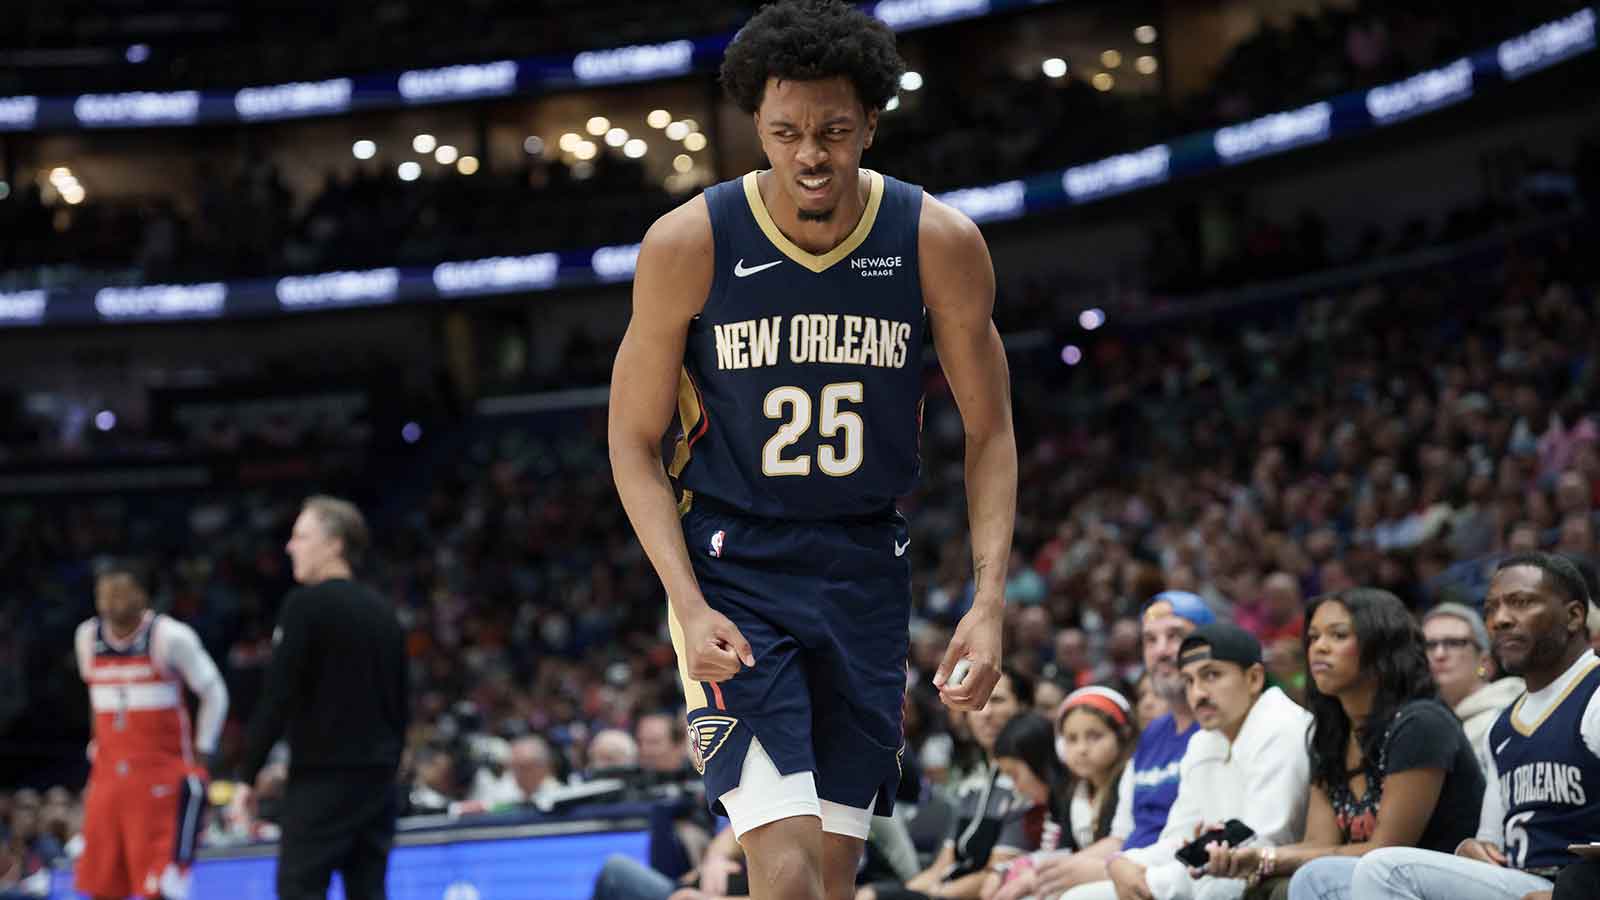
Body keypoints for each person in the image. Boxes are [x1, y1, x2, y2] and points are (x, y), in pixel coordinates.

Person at [607, 1, 1017, 899]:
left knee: (834, 875)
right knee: (784, 866)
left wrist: (988, 602)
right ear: (755, 126)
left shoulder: (938, 242)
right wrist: (685, 603)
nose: (810, 155)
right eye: (785, 131)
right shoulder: (688, 243)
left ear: (871, 122)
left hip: (864, 565)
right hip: (734, 565)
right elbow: (632, 443)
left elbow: (990, 431)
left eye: (833, 130)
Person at [1195, 588, 1484, 900]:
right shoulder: (1331, 734)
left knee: (1300, 882)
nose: (1319, 647)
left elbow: (1385, 853)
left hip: (1437, 887)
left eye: (1338, 635)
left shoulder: (1422, 724)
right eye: (1313, 637)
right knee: (1262, 887)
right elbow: (1319, 842)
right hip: (1366, 882)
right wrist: (1245, 856)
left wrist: (1268, 858)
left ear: (1382, 646)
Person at [1351, 552, 1600, 900]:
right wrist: (1470, 849)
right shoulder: (1502, 726)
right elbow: (1490, 842)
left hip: (1575, 886)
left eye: (1521, 603)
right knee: (1321, 878)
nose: (1500, 620)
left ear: (1574, 616)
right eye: (1490, 609)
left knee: (1385, 870)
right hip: (1519, 883)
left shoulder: (1594, 695)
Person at [238, 495, 409, 900]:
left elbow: (277, 696)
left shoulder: (304, 606)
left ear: (334, 544)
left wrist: (247, 774)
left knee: (299, 889)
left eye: (301, 536)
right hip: (378, 782)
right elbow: (400, 706)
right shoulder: (384, 612)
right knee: (369, 892)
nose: (289, 546)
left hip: (322, 779)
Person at [1065, 624, 1314, 900]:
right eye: (1189, 681)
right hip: (1205, 879)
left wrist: (1150, 881)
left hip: (1262, 882)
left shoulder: (1284, 727)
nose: (1198, 694)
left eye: (1211, 675)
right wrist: (1124, 862)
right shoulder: (1203, 741)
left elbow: (1260, 841)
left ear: (1254, 678)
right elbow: (1178, 836)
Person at [1030, 592, 1213, 897]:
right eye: (1150, 640)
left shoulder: (1215, 729)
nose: (1161, 650)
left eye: (1175, 636)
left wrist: (1108, 869)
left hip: (1173, 877)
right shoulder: (1151, 734)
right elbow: (1121, 836)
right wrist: (1047, 874)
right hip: (1129, 868)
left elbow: (1205, 836)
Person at [74, 558, 228, 900]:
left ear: (142, 596)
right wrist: (96, 743)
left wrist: (204, 748)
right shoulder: (86, 636)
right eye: (103, 594)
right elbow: (95, 696)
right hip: (108, 779)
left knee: (161, 889)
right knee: (102, 887)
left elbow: (215, 691)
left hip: (162, 779)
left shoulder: (169, 636)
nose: (110, 602)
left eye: (119, 593)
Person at [858, 668, 1035, 900]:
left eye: (998, 700)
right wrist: (905, 893)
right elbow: (942, 866)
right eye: (978, 701)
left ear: (1023, 708)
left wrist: (931, 895)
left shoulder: (1029, 782)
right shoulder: (973, 782)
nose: (985, 712)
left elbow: (997, 874)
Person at [989, 688, 1135, 900]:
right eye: (1072, 739)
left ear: (1123, 736)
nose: (1082, 749)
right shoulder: (1074, 793)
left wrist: (1036, 874)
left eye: (1094, 736)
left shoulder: (1127, 782)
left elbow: (1120, 844)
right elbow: (1064, 849)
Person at [1420, 603, 1525, 774]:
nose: (1439, 654)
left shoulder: (1509, 718)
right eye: (1429, 645)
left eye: (1454, 643)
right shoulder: (1422, 721)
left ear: (1485, 662)